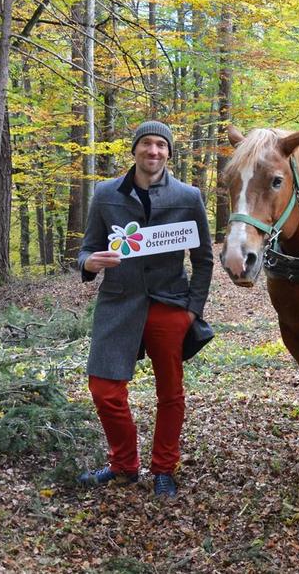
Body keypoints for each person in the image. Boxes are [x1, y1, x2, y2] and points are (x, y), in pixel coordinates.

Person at [76, 120, 213, 498]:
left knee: (170, 394)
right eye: (146, 144)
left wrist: (191, 310)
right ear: (134, 150)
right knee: (104, 389)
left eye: (160, 146)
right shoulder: (105, 194)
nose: (153, 152)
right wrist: (88, 263)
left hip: (169, 304)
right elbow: (87, 248)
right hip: (119, 301)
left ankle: (164, 468)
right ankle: (123, 465)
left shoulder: (188, 196)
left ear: (169, 153)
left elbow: (203, 260)